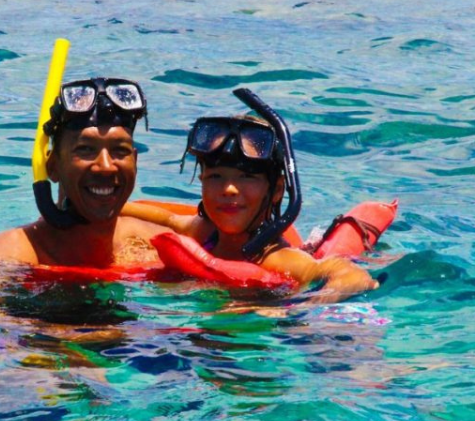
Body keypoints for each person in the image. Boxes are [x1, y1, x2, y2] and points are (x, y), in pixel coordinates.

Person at [122, 114, 378, 302]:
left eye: (247, 177)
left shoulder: (277, 259)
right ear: (201, 182)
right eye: (216, 177)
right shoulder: (205, 232)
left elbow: (353, 276)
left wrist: (304, 308)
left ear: (277, 190)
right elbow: (167, 219)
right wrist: (113, 208)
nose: (229, 189)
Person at [0, 77, 168, 268]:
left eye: (120, 150)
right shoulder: (11, 256)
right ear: (53, 166)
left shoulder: (152, 245)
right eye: (86, 149)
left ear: (135, 161)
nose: (106, 166)